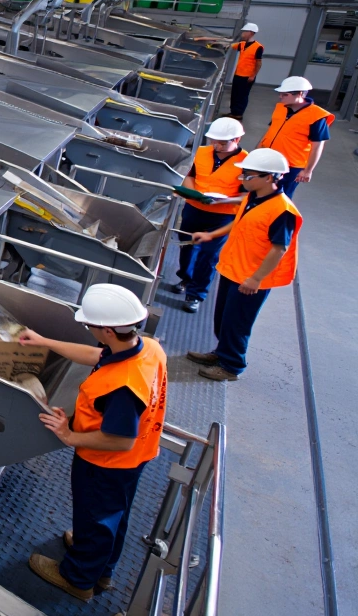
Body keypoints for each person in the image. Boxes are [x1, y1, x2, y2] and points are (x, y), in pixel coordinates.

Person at [18, 284, 167, 603]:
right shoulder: (147, 347)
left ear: (109, 330)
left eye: (91, 325)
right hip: (137, 458)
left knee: (94, 516)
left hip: (106, 463)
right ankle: (103, 566)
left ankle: (79, 578)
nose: (88, 328)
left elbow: (120, 440)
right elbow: (95, 355)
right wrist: (44, 341)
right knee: (114, 513)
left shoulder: (123, 387)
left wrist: (70, 436)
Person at [186, 148, 302, 382]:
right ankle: (221, 353)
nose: (243, 180)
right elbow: (240, 223)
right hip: (233, 268)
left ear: (269, 177)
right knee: (223, 318)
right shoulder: (253, 197)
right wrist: (212, 235)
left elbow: (279, 249)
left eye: (248, 176)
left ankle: (232, 365)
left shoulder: (282, 211)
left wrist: (256, 279)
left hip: (251, 277)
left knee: (238, 322)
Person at [171, 118, 247, 312]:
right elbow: (190, 176)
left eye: (222, 142)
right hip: (194, 209)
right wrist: (194, 195)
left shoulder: (246, 162)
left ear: (237, 139)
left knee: (209, 255)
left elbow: (248, 195)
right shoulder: (203, 152)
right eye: (214, 140)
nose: (217, 145)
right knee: (187, 247)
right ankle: (186, 279)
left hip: (222, 216)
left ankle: (196, 294)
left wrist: (225, 201)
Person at [257, 76, 333, 196]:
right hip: (269, 159)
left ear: (300, 94)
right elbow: (271, 130)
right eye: (280, 94)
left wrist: (308, 171)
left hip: (291, 167)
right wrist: (258, 150)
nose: (280, 97)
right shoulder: (280, 108)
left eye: (285, 94)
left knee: (281, 197)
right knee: (261, 193)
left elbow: (317, 147)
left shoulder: (316, 116)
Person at [226, 22, 263, 118]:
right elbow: (230, 45)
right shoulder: (242, 44)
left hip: (247, 76)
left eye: (244, 32)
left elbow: (258, 63)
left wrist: (253, 75)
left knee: (242, 95)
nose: (242, 34)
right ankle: (233, 112)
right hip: (238, 74)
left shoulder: (258, 47)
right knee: (235, 93)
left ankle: (238, 114)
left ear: (250, 33)